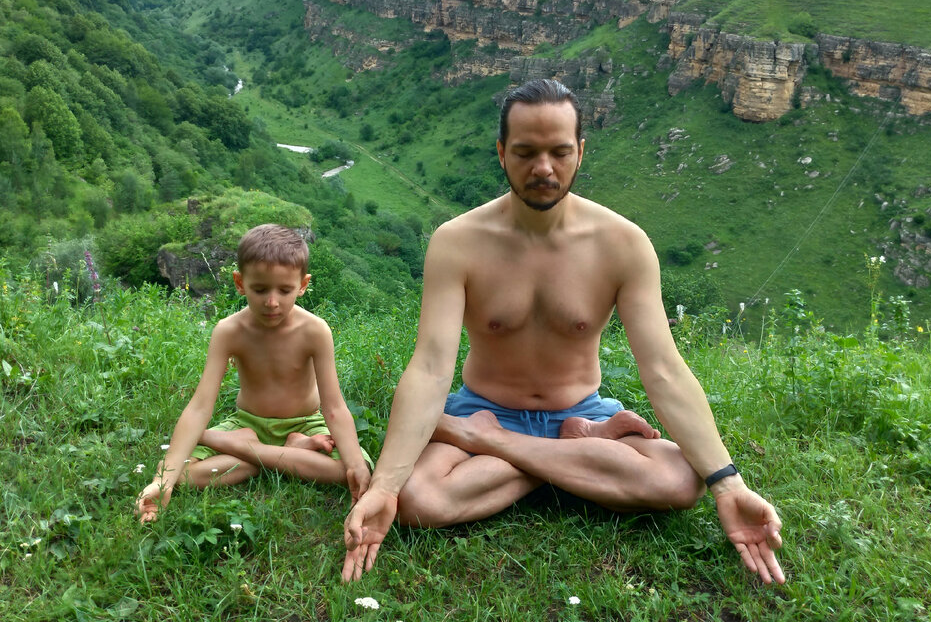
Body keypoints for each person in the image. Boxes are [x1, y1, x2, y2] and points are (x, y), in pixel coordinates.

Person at [342, 79, 783, 584]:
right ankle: (581, 454)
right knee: (419, 499)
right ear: (502, 153)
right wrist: (386, 486)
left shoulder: (622, 244)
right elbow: (430, 364)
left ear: (581, 152)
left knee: (683, 482)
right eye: (526, 152)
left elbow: (662, 368)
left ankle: (495, 443)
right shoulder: (457, 242)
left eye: (559, 152)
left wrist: (727, 485)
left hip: (575, 410)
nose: (543, 169)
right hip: (486, 404)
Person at [137, 224, 371, 522]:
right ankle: (273, 453)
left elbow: (334, 408)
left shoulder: (315, 331)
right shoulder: (229, 331)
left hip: (306, 422)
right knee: (173, 466)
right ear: (240, 282)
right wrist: (164, 480)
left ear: (302, 284)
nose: (271, 302)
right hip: (247, 421)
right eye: (260, 289)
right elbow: (200, 405)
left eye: (285, 290)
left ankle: (238, 447)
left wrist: (355, 466)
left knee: (350, 468)